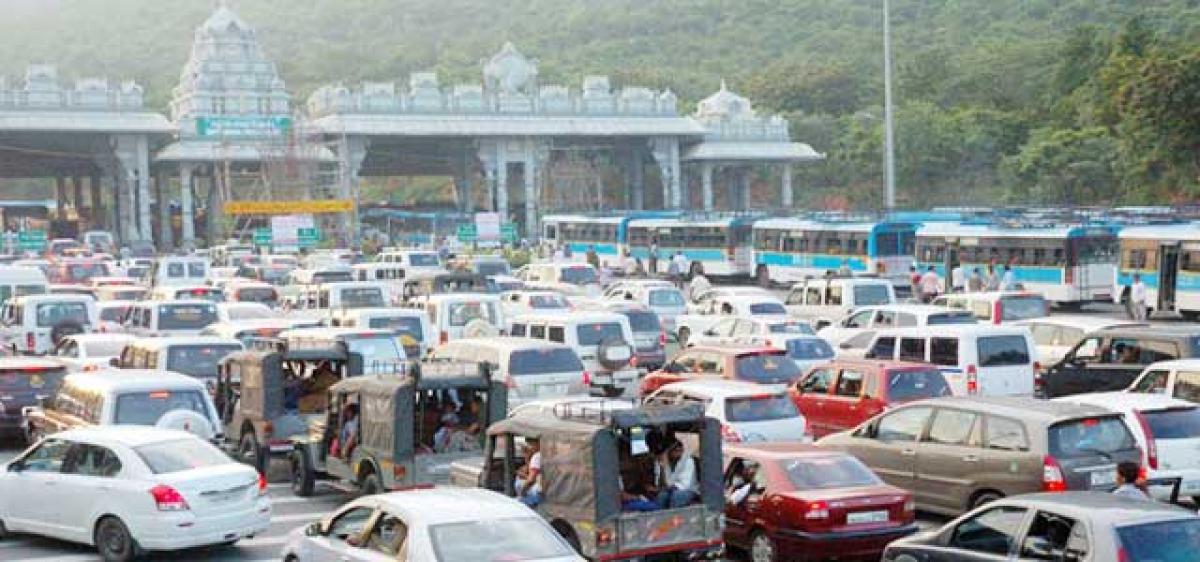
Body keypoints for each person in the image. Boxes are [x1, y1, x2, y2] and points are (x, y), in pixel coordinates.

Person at [655, 439, 700, 509]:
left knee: (676, 496)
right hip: (671, 489)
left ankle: (673, 517)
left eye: (679, 450)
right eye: (675, 450)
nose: (678, 452)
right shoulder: (662, 461)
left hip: (687, 489)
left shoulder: (687, 461)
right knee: (662, 496)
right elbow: (662, 484)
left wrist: (667, 488)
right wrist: (662, 468)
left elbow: (684, 485)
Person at [516, 438, 543, 507]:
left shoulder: (537, 456)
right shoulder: (546, 454)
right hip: (546, 490)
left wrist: (522, 493)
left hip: (538, 493)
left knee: (519, 484)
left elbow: (531, 480)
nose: (530, 447)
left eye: (531, 444)